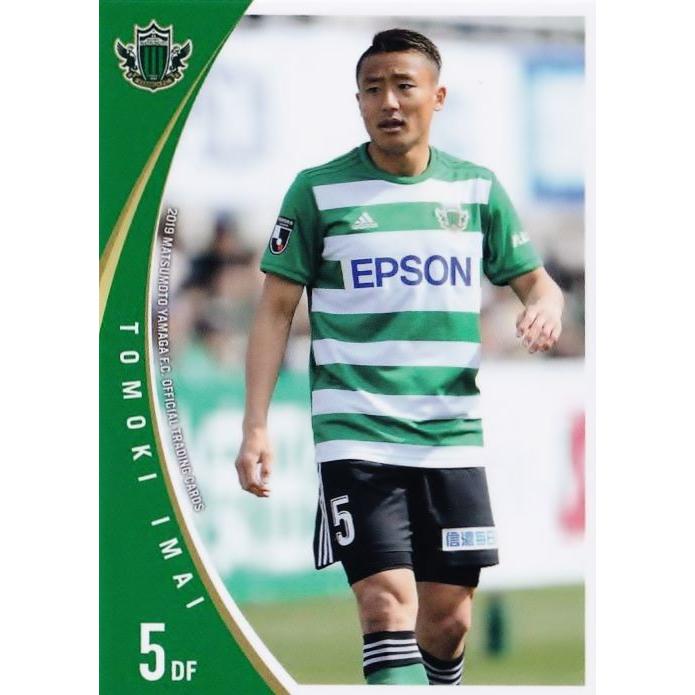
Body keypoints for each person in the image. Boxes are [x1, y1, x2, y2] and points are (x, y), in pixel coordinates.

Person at [235, 28, 564, 686]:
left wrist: (547, 305)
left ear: (436, 97)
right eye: (372, 89)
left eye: (403, 86)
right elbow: (273, 312)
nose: (387, 101)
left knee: (448, 621)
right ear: (358, 100)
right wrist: (255, 426)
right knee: (386, 603)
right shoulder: (317, 191)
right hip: (356, 432)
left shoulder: (475, 190)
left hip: (449, 436)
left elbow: (537, 282)